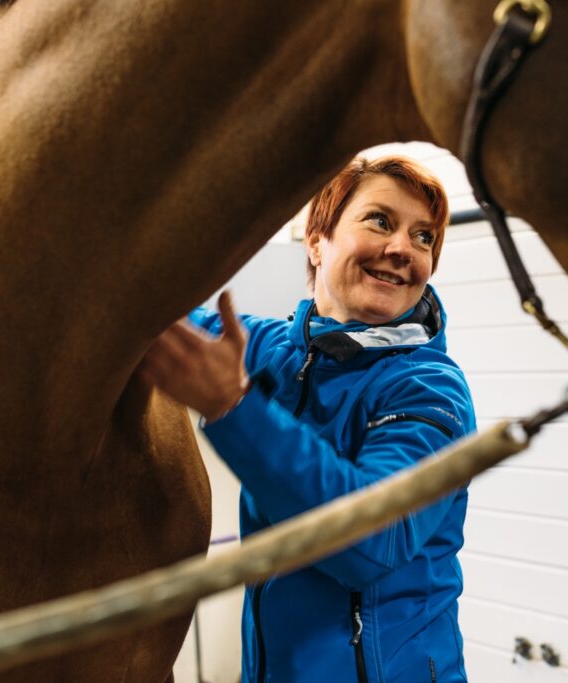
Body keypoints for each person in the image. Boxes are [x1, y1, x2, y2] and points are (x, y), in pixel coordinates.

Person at [138, 155, 477, 683]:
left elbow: (374, 539)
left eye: (424, 238)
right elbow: (150, 319)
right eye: (381, 221)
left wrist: (235, 407)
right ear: (316, 241)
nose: (402, 249)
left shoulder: (430, 388)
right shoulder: (270, 349)